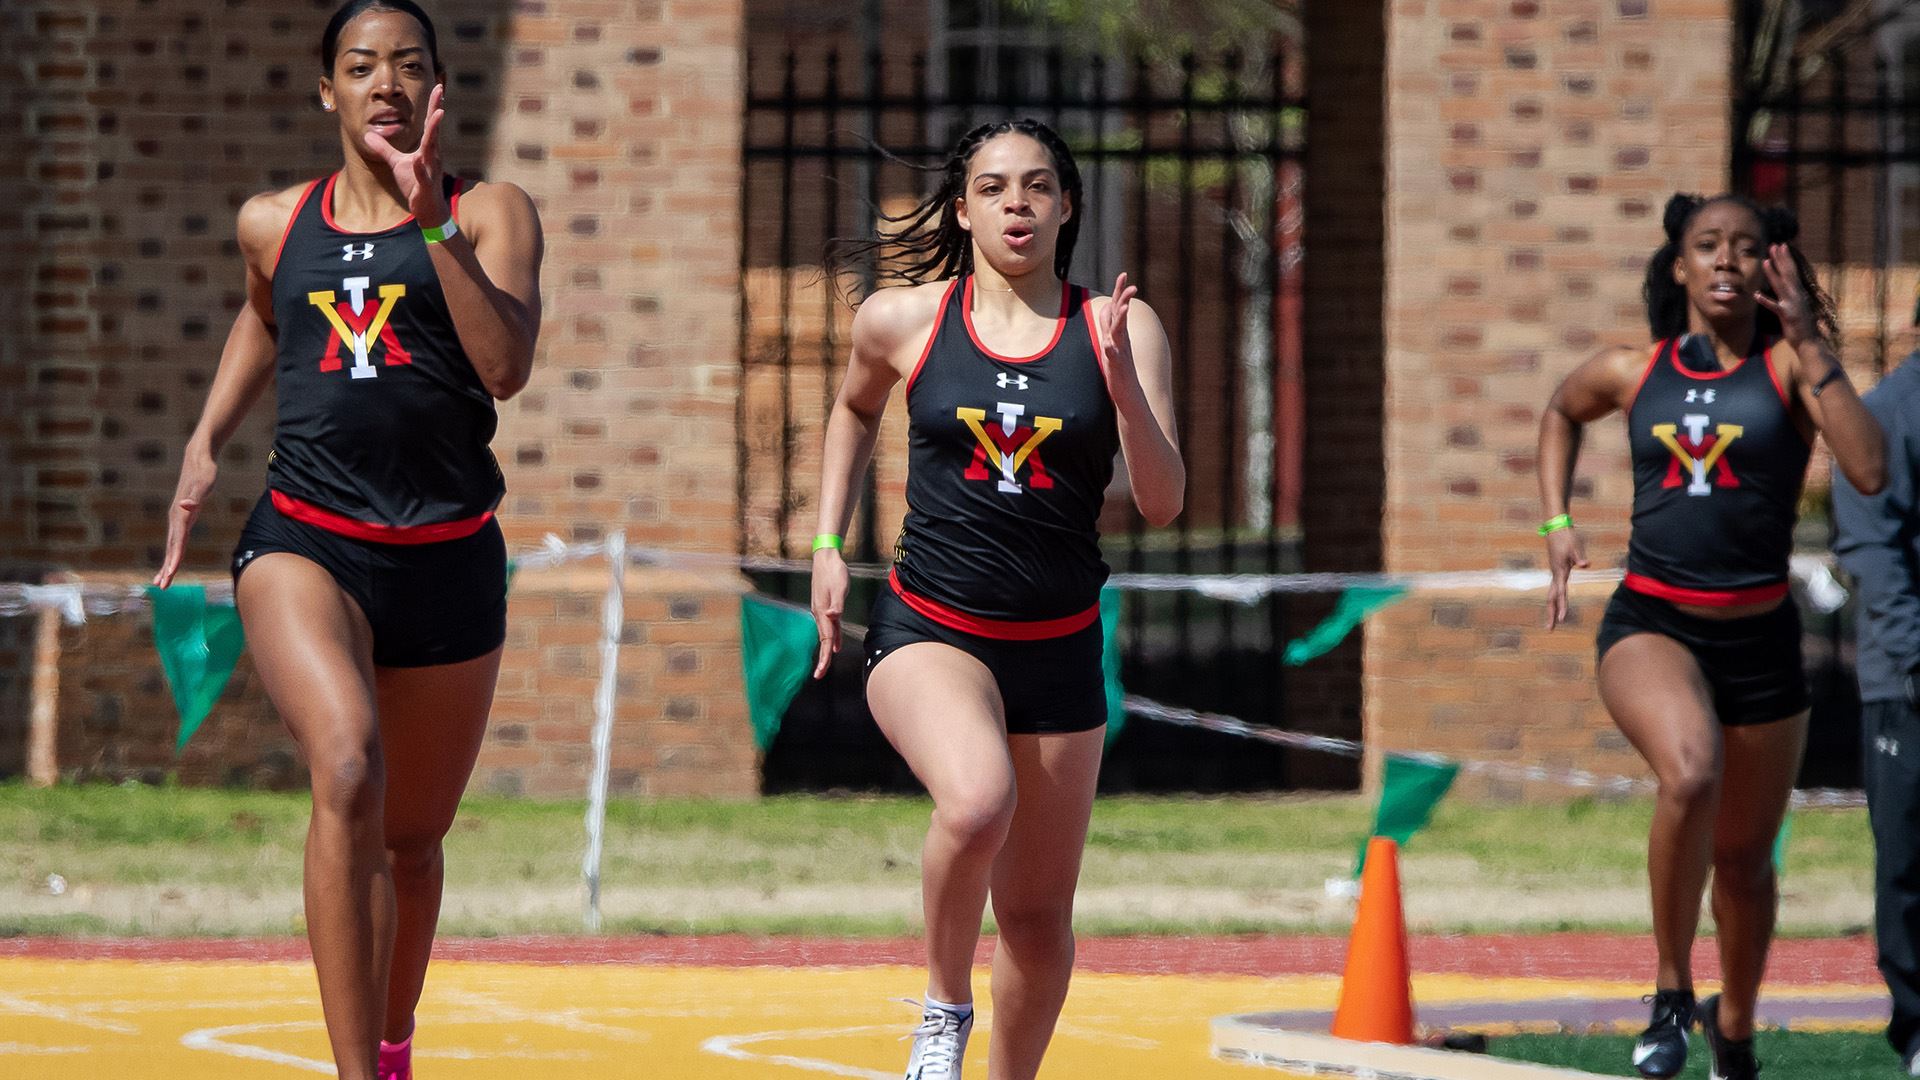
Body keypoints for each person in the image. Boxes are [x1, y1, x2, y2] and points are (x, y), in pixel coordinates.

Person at [152, 2, 543, 1078]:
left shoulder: (491, 212)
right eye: (362, 66)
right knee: (346, 761)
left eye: (408, 65)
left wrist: (430, 229)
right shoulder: (276, 223)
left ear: (436, 90)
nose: (386, 83)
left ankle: (393, 1041)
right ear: (326, 90)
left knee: (412, 848)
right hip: (306, 540)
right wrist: (203, 443)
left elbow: (505, 368)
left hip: (450, 556)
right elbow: (266, 313)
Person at [810, 119, 1183, 1080]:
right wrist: (826, 543)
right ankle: (943, 1005)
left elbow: (1164, 498)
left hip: (1059, 644)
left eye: (1039, 186)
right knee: (976, 803)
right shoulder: (905, 320)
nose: (1017, 203)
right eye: (994, 187)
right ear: (964, 208)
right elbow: (853, 409)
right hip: (930, 627)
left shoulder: (1121, 326)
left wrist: (1124, 390)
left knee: (1033, 915)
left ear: (1066, 207)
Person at [1536, 193, 1883, 1080]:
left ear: (1773, 266)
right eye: (1707, 246)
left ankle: (1734, 1030)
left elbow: (1872, 469)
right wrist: (1556, 523)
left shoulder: (1791, 372)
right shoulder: (1633, 371)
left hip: (1762, 640)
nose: (1726, 260)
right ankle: (1667, 994)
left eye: (1746, 247)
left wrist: (1809, 340)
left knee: (1744, 861)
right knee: (1689, 769)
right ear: (1680, 267)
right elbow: (1559, 410)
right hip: (1652, 622)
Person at [1831, 316, 1920, 1075]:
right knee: (1912, 861)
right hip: (1909, 687)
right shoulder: (1889, 412)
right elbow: (1871, 547)